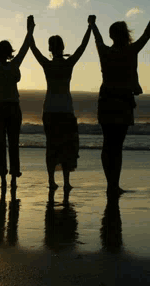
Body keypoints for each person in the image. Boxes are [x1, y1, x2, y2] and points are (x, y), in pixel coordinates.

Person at [91, 0, 150, 196]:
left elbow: (97, 39)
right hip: (122, 100)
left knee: (108, 144)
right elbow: (148, 34)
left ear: (112, 36)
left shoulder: (105, 52)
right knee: (117, 145)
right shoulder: (131, 51)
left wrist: (92, 25)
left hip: (106, 99)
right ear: (126, 35)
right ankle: (114, 184)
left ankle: (111, 184)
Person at [29, 16, 92, 190]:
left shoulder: (48, 64)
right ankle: (66, 182)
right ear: (62, 47)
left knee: (52, 146)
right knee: (66, 147)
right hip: (65, 110)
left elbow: (32, 47)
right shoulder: (68, 63)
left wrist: (30, 30)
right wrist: (90, 27)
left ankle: (51, 181)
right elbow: (82, 47)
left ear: (50, 48)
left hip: (50, 110)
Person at [0, 15, 34, 189]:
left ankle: (3, 176)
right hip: (12, 107)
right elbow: (25, 48)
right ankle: (13, 177)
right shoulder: (13, 66)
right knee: (13, 143)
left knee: (0, 144)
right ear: (9, 53)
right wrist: (30, 30)